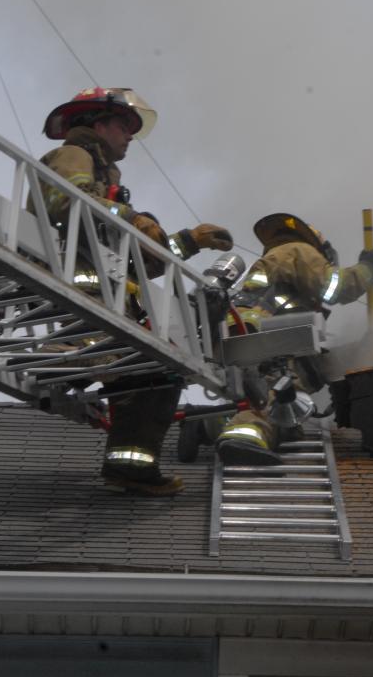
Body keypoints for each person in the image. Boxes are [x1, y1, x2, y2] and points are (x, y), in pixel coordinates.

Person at [37, 87, 234, 496]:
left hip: (110, 305)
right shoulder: (75, 156)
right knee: (109, 346)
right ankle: (62, 357)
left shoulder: (107, 181)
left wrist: (190, 241)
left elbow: (140, 262)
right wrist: (133, 217)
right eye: (124, 127)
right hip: (73, 292)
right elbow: (64, 201)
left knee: (159, 376)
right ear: (97, 124)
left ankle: (130, 465)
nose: (129, 137)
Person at [215, 212, 373, 465]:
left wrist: (364, 349)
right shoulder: (299, 250)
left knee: (304, 375)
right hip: (268, 333)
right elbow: (332, 287)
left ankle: (209, 425)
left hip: (254, 329)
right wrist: (368, 269)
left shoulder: (276, 258)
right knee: (279, 387)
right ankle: (245, 437)